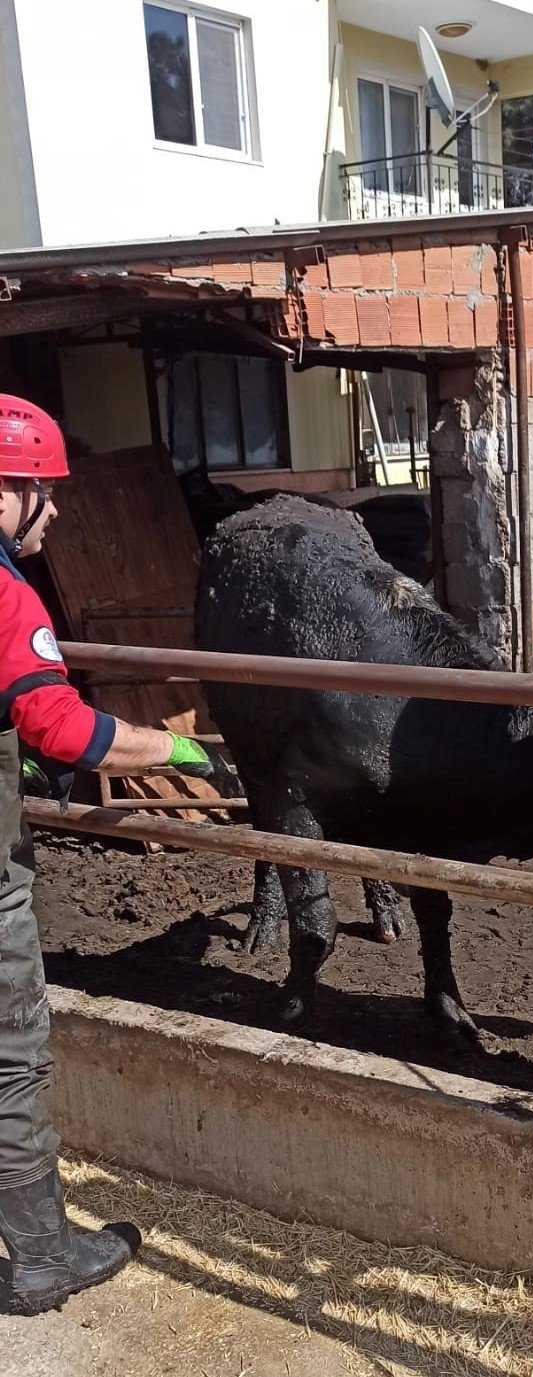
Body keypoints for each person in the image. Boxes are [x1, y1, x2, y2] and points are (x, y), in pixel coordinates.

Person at [0, 394, 239, 1314]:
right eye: (43, 492)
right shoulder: (8, 594)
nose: (57, 512)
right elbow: (60, 724)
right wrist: (171, 747)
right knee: (11, 1055)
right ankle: (39, 1256)